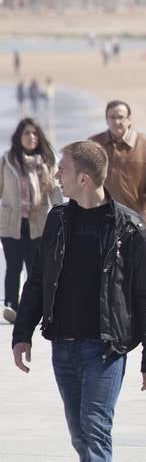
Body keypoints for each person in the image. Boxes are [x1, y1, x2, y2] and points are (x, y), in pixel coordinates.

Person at [11, 140, 146, 462]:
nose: (55, 174)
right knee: (81, 437)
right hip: (63, 345)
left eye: (61, 168)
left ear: (83, 177)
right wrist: (22, 331)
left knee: (95, 433)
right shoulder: (59, 220)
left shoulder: (129, 227)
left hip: (105, 349)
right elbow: (39, 279)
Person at [1, 119, 61, 322]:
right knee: (13, 266)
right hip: (11, 223)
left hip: (38, 224)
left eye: (35, 134)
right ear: (19, 136)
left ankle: (36, 307)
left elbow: (54, 190)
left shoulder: (46, 162)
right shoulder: (7, 160)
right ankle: (11, 306)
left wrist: (62, 213)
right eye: (27, 133)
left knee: (35, 268)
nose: (31, 137)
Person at [89, 101, 146, 227]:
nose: (116, 122)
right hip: (100, 218)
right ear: (106, 120)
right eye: (112, 117)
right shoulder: (94, 144)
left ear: (129, 119)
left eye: (120, 117)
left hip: (135, 218)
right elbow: (82, 178)